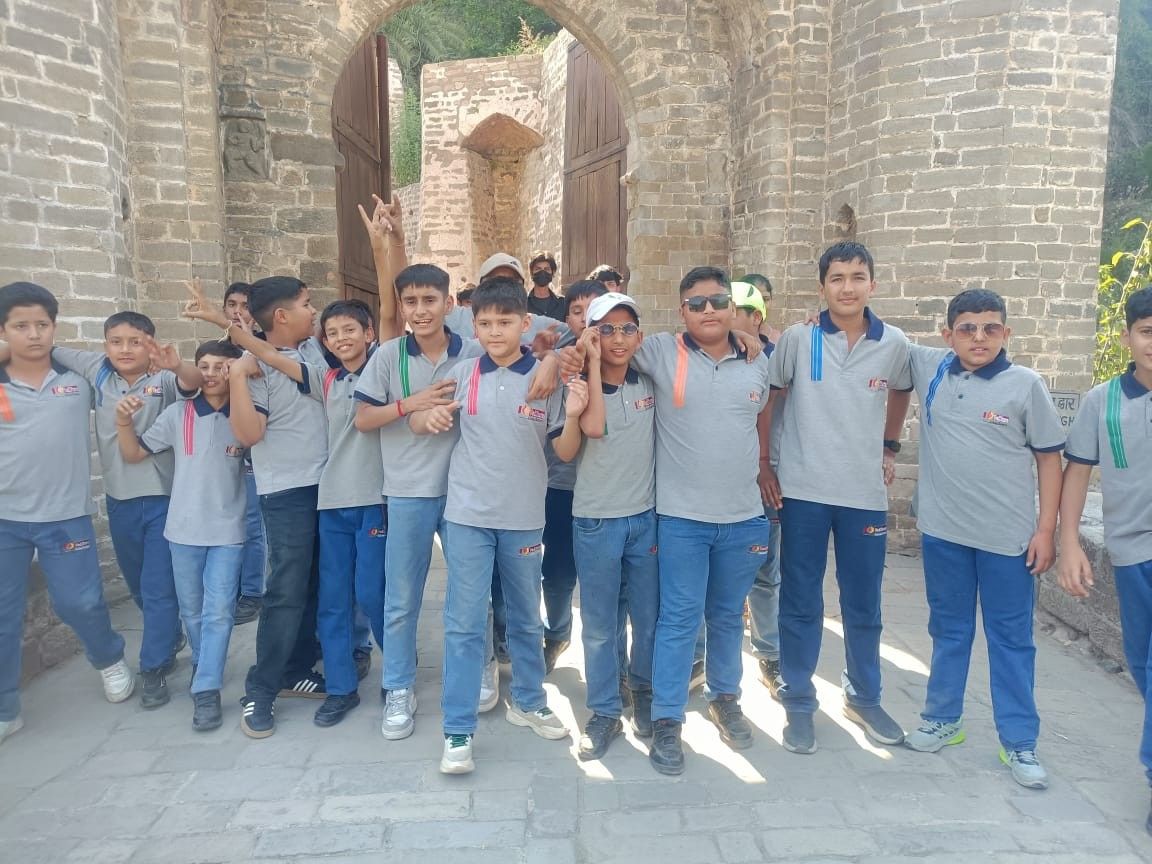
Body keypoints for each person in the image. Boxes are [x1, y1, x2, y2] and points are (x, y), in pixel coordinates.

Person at [562, 267, 771, 775]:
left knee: (712, 617)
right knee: (651, 622)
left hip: (725, 517)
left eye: (717, 302)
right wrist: (561, 357)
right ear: (681, 312)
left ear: (732, 307)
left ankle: (709, 698)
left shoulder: (753, 359)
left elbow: (762, 413)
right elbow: (583, 375)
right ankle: (651, 717)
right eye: (696, 304)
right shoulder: (654, 354)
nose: (707, 310)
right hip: (662, 520)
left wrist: (749, 335)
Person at [900, 289, 1064, 791]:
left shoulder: (1025, 385)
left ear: (1006, 333)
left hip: (1007, 542)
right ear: (947, 336)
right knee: (948, 631)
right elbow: (870, 332)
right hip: (944, 534)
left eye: (991, 328)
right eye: (967, 329)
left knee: (1011, 640)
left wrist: (1046, 530)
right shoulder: (932, 368)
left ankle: (1019, 741)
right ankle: (942, 719)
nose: (979, 338)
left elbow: (1049, 459)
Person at [410, 278, 567, 775]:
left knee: (525, 617)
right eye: (485, 323)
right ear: (473, 326)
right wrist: (428, 420)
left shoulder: (546, 378)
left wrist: (561, 373)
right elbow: (418, 419)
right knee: (464, 621)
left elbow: (564, 446)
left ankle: (529, 700)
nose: (495, 331)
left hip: (524, 518)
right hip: (467, 517)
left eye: (505, 322)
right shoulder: (462, 374)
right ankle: (457, 729)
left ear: (526, 323)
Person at [762, 241, 912, 755]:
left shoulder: (894, 343)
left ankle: (864, 697)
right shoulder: (799, 339)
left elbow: (902, 389)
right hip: (803, 490)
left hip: (864, 495)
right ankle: (799, 700)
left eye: (857, 277)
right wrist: (764, 462)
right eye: (837, 278)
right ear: (822, 286)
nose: (848, 288)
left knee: (863, 603)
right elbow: (770, 399)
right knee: (801, 601)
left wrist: (889, 444)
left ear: (873, 283)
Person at [0, 282, 135, 745]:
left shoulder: (78, 380)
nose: (33, 334)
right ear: (4, 330)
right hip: (5, 519)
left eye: (42, 324)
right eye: (21, 326)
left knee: (79, 601)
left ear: (55, 327)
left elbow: (119, 368)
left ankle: (108, 658)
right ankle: (6, 709)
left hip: (64, 515)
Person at [356, 263, 486, 740]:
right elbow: (363, 419)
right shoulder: (389, 355)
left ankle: (479, 669)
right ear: (401, 307)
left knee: (471, 592)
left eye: (429, 300)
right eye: (410, 301)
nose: (420, 310)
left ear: (448, 303)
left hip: (465, 493)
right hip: (407, 491)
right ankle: (398, 686)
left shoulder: (474, 352)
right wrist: (410, 406)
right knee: (401, 598)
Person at [48, 310, 202, 709]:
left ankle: (154, 666)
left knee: (157, 587)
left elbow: (194, 382)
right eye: (116, 342)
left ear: (151, 344)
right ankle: (169, 636)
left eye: (136, 341)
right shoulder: (98, 371)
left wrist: (177, 365)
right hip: (120, 501)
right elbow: (47, 347)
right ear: (105, 346)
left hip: (163, 499)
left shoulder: (163, 378)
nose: (125, 349)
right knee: (137, 585)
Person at [115, 339, 249, 732]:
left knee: (219, 610)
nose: (211, 374)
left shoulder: (246, 415)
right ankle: (206, 664)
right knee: (192, 611)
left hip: (227, 531)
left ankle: (206, 689)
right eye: (204, 366)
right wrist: (122, 422)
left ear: (236, 370)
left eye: (221, 366)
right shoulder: (178, 413)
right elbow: (135, 454)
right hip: (182, 530)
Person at [1059, 286, 1152, 828]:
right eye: (1147, 332)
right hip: (1132, 549)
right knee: (1141, 661)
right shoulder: (1103, 401)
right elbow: (1077, 472)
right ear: (1127, 337)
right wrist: (1069, 542)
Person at [552, 291, 659, 760]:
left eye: (627, 328)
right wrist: (590, 366)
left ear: (639, 335)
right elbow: (583, 437)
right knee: (599, 623)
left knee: (646, 617)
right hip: (596, 520)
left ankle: (643, 691)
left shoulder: (649, 382)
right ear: (589, 334)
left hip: (645, 518)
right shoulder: (575, 386)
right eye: (606, 329)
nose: (618, 338)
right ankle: (604, 709)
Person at [225, 276, 329, 738]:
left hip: (326, 487)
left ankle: (295, 669)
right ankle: (261, 688)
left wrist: (244, 338)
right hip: (287, 492)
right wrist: (236, 374)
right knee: (286, 589)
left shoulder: (311, 352)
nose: (314, 311)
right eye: (307, 304)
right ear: (282, 315)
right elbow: (249, 434)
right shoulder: (255, 370)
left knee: (312, 584)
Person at [729, 280, 784, 697]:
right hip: (718, 486)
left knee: (765, 573)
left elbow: (768, 412)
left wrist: (765, 466)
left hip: (763, 480)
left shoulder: (772, 360)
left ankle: (769, 653)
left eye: (734, 312)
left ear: (756, 318)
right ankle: (702, 659)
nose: (723, 318)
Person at [222, 283, 266, 626]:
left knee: (252, 523)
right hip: (222, 449)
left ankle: (252, 592)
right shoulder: (217, 350)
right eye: (232, 304)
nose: (238, 311)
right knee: (228, 519)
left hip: (253, 448)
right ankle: (231, 587)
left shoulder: (263, 348)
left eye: (245, 305)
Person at [527, 252, 565, 321]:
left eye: (547, 269)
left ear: (553, 273)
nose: (542, 272)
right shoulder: (523, 303)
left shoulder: (562, 303)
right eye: (538, 269)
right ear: (531, 273)